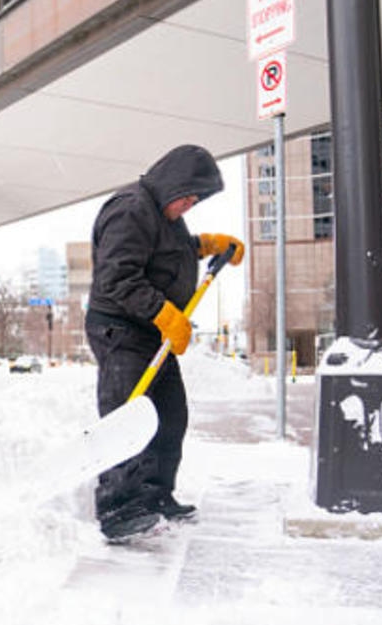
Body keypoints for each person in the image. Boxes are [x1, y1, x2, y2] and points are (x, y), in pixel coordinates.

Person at [86, 144, 243, 539]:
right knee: (126, 416)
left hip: (151, 331)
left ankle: (155, 495)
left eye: (196, 201)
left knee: (170, 415)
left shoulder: (163, 216)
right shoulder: (130, 210)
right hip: (120, 328)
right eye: (188, 196)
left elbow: (170, 254)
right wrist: (164, 313)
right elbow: (116, 278)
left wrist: (205, 244)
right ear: (172, 183)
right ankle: (118, 508)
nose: (189, 205)